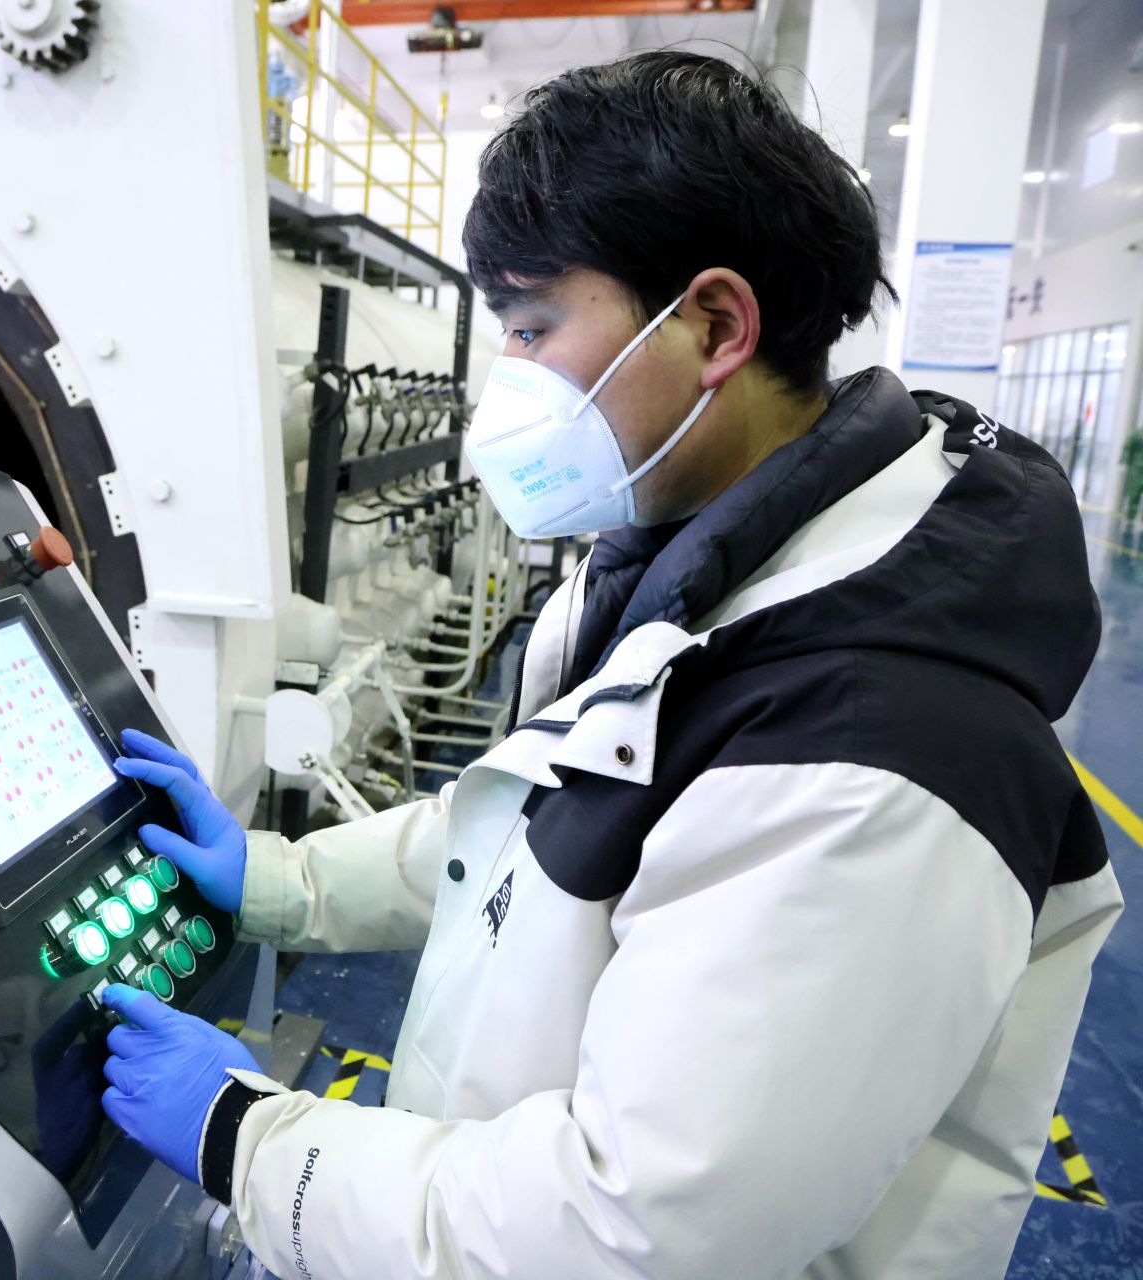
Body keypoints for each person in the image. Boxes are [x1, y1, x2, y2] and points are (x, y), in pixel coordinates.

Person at [94, 51, 1123, 1279]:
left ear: (716, 326)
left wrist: (251, 1141)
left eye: (535, 328)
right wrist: (281, 878)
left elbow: (634, 1234)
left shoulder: (874, 745)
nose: (510, 382)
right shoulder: (694, 571)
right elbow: (527, 842)